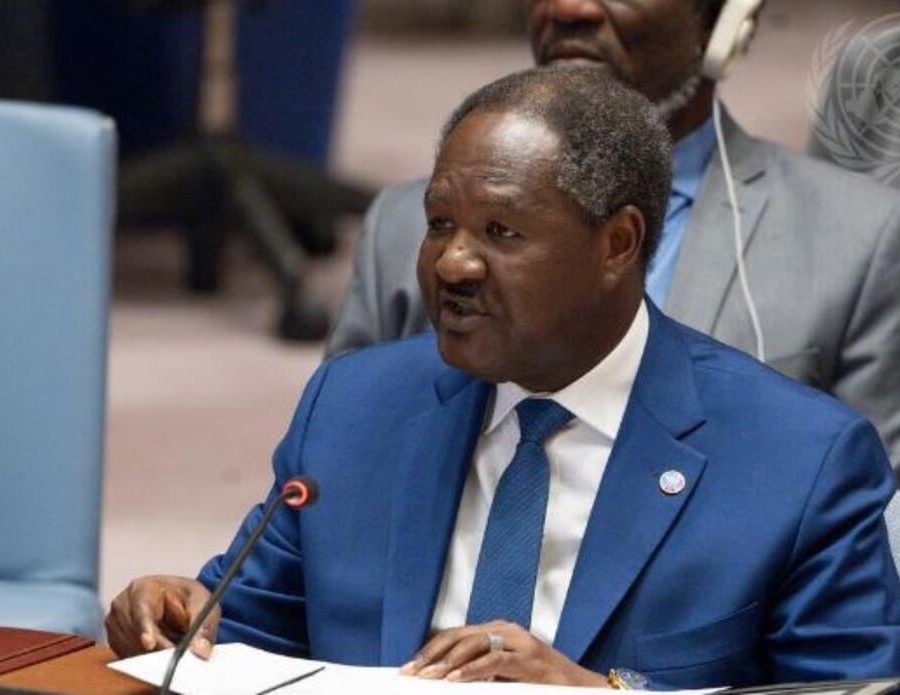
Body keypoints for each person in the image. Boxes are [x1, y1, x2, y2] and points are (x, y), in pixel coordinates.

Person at [106, 68, 900, 689]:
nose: (453, 263)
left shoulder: (798, 459)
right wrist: (180, 619)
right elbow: (250, 633)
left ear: (618, 244)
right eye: (440, 223)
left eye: (501, 231)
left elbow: (848, 690)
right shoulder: (353, 406)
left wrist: (599, 694)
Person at [326, 0, 900, 470]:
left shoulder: (858, 239)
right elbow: (337, 471)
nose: (568, 9)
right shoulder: (407, 226)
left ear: (724, 18)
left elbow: (873, 528)